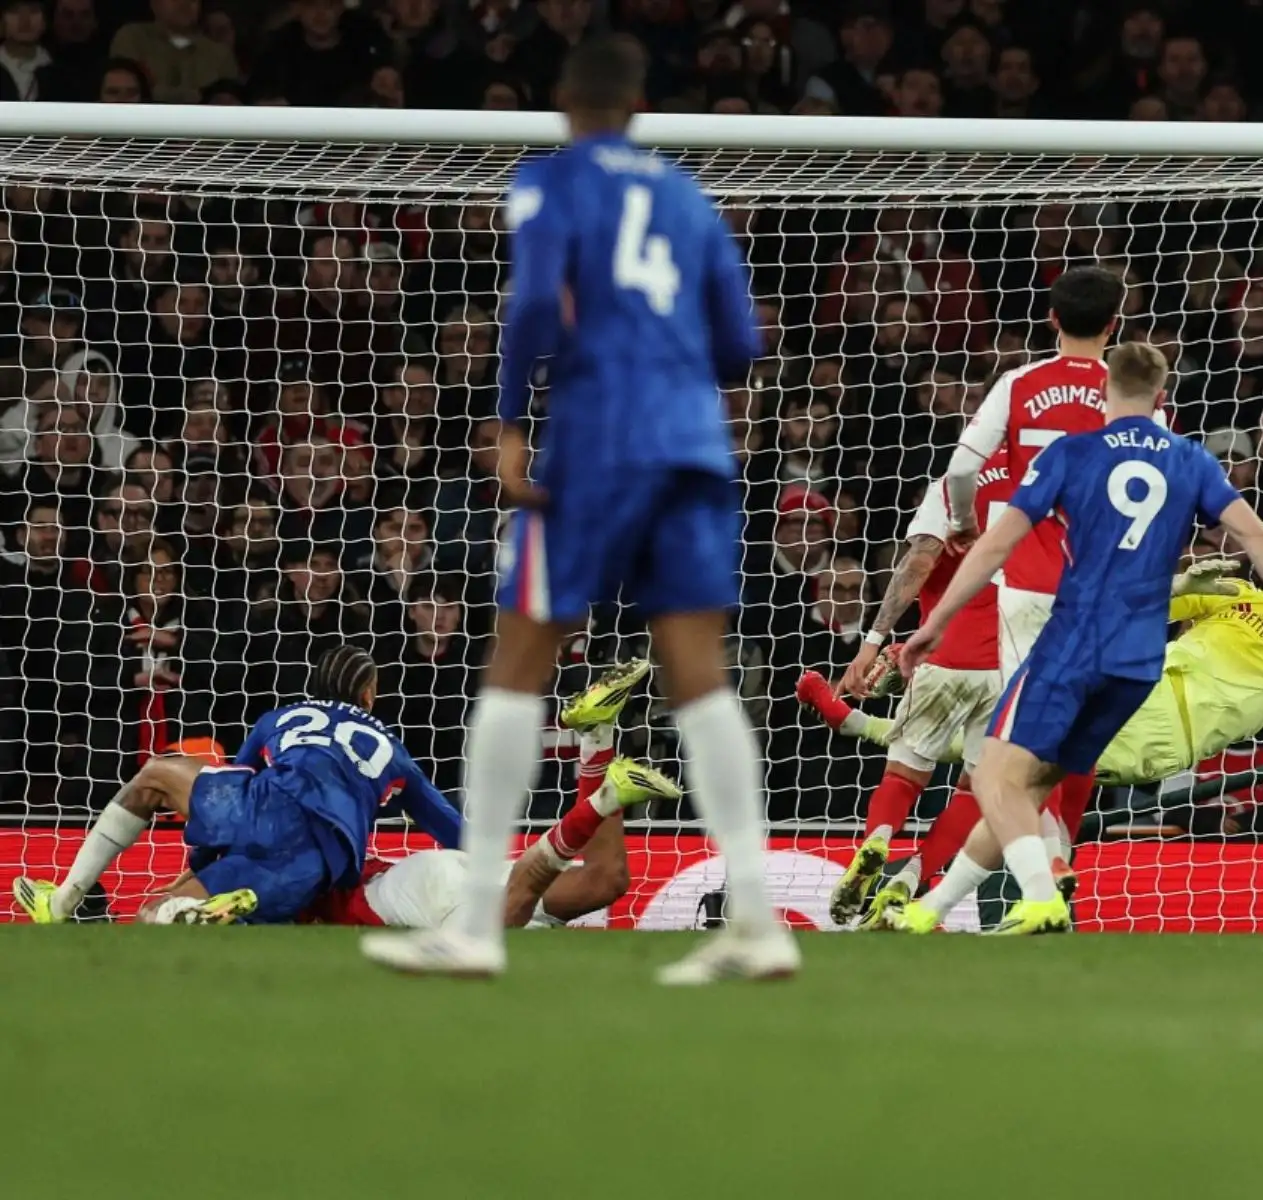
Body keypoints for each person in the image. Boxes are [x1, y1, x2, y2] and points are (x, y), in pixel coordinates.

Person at [361, 35, 783, 985]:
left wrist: (512, 424)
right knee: (700, 678)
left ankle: (475, 926)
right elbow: (741, 341)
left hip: (597, 443)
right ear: (640, 105)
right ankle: (755, 923)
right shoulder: (688, 197)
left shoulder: (549, 183)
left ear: (565, 100)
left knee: (518, 660)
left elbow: (531, 313)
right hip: (694, 447)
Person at [810, 533, 1263, 920]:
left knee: (1010, 763)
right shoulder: (1234, 596)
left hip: (1165, 732)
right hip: (1129, 698)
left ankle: (929, 850)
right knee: (1010, 765)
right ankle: (929, 887)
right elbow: (1139, 606)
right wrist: (1182, 581)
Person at [888, 342, 1263, 935]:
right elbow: (1255, 536)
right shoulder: (1192, 459)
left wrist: (937, 619)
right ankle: (932, 910)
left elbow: (996, 543)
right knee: (1036, 781)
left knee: (995, 777)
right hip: (1139, 655)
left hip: (1074, 641)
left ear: (1103, 394)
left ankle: (1042, 896)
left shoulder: (1073, 453)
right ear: (1162, 397)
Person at [13, 644, 462, 925]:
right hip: (315, 867)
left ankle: (65, 901)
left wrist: (202, 862)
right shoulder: (396, 752)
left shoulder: (283, 718)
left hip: (268, 808)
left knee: (154, 776)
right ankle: (214, 912)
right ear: (369, 696)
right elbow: (454, 831)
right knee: (167, 914)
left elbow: (238, 789)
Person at [938, 264, 1125, 883]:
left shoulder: (1018, 383)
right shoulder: (1129, 391)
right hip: (1104, 591)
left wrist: (966, 521)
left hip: (1027, 588)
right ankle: (1056, 855)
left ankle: (1044, 870)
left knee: (1016, 749)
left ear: (1051, 319)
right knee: (1073, 739)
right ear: (1115, 324)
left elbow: (963, 469)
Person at [801, 453, 1011, 927]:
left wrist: (871, 644)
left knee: (904, 773)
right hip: (1010, 666)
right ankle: (914, 875)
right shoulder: (1040, 487)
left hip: (943, 656)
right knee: (978, 790)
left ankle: (876, 841)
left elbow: (918, 563)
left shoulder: (955, 485)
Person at [311, 660, 679, 929]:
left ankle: (605, 800)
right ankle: (598, 738)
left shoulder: (291, 879)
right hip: (429, 872)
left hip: (410, 897)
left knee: (496, 931)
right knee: (603, 881)